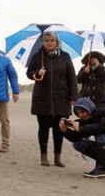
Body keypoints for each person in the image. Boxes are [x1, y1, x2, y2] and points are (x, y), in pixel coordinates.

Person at [27, 31, 78, 167]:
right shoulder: (38, 56)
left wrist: (73, 97)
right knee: (43, 129)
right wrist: (37, 73)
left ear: (57, 42)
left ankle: (57, 157)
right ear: (43, 42)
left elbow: (72, 78)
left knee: (59, 129)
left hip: (61, 99)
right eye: (46, 40)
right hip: (42, 99)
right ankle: (44, 156)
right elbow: (29, 73)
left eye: (52, 40)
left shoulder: (65, 57)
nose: (49, 43)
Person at [60, 97, 105, 178]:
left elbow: (101, 127)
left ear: (89, 109)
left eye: (83, 112)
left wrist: (81, 129)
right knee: (79, 144)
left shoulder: (102, 112)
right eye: (78, 113)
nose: (80, 115)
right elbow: (75, 138)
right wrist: (65, 131)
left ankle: (101, 168)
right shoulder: (85, 120)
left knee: (100, 135)